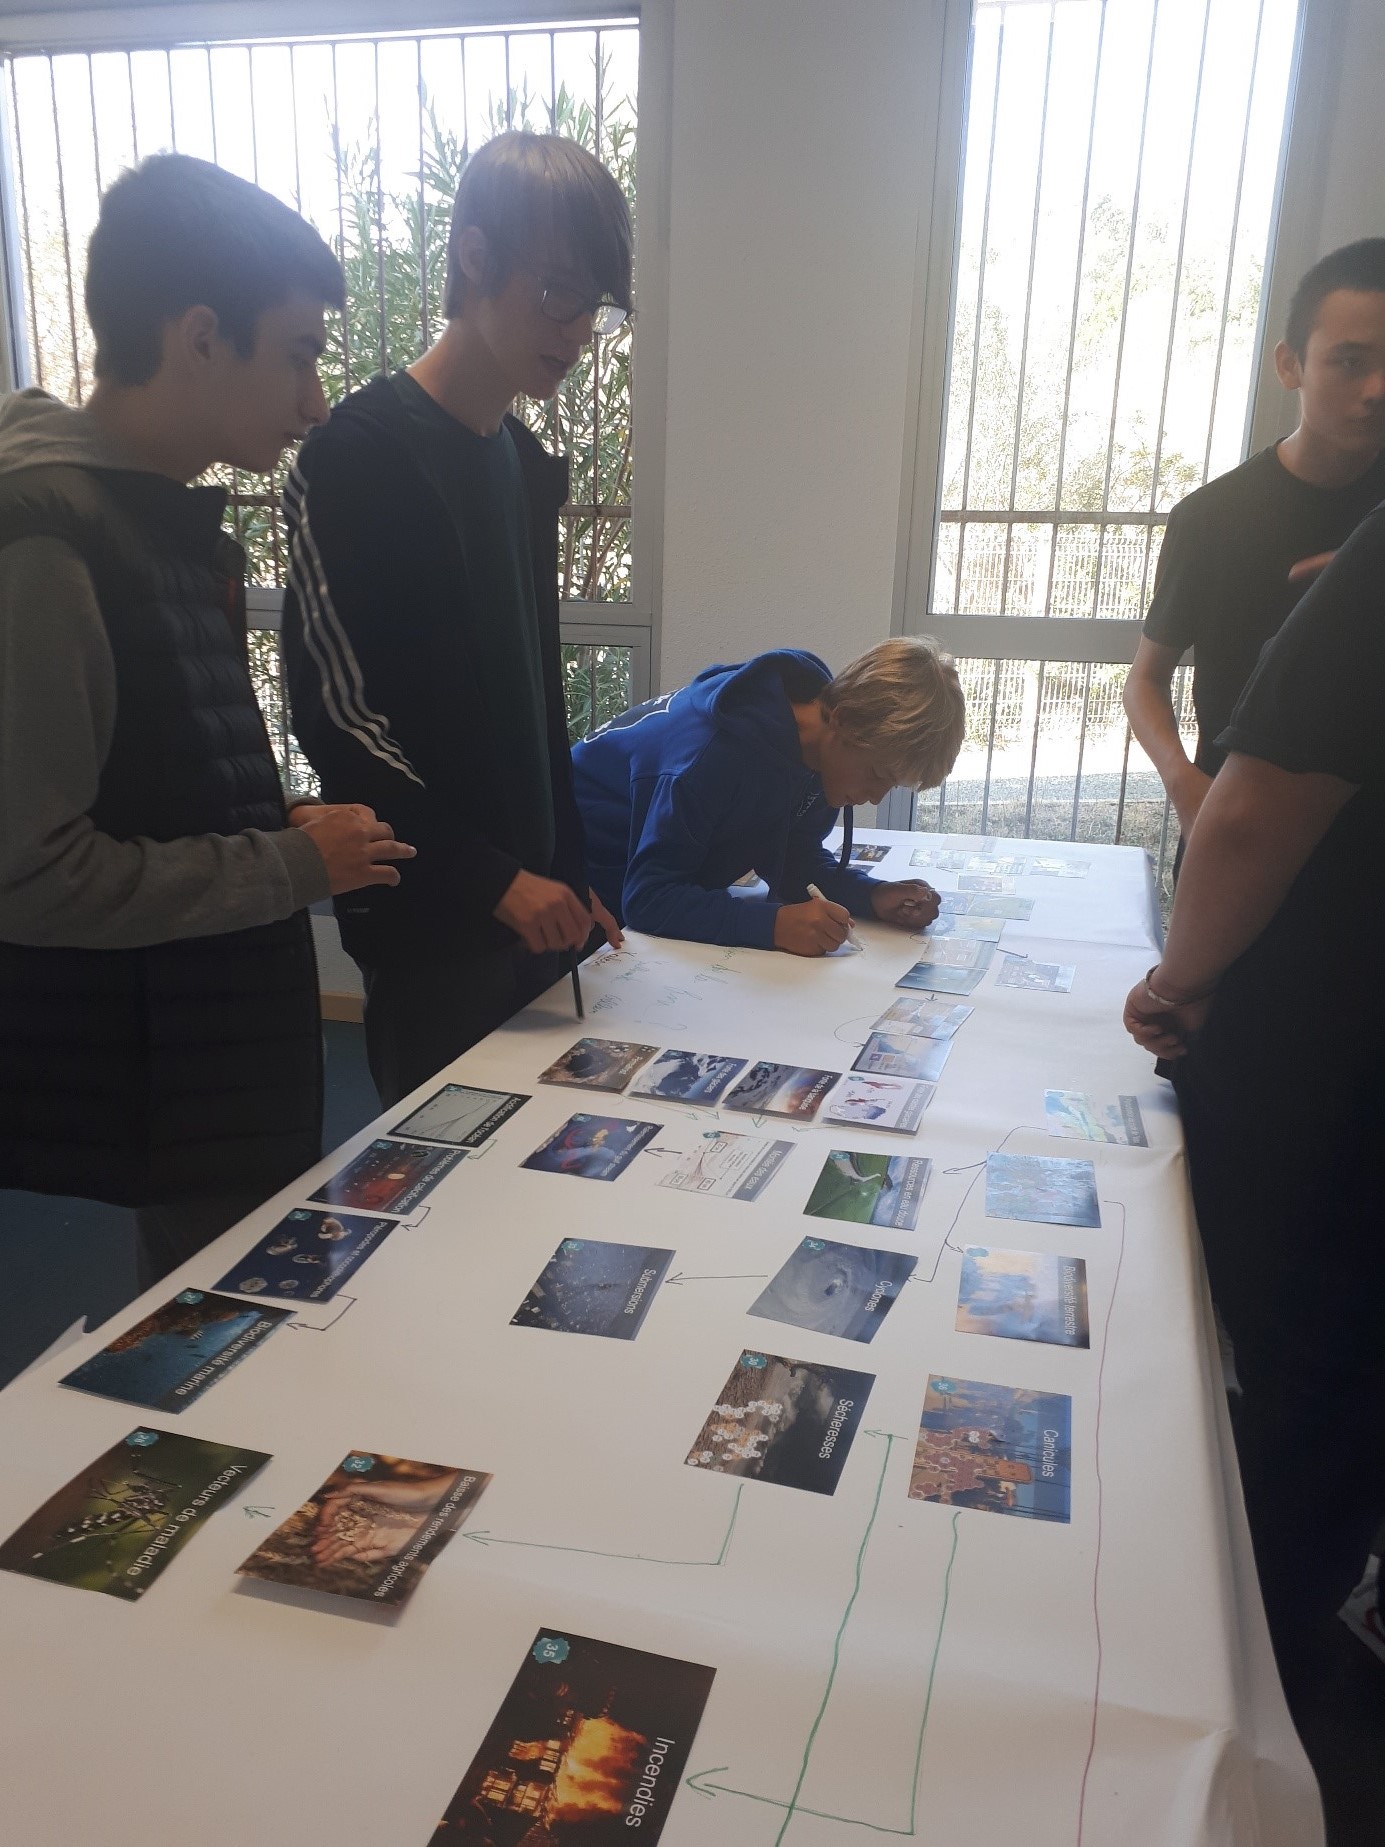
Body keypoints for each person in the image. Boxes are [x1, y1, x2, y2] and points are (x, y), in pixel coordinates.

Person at [0, 154, 415, 1285]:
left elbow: (143, 776)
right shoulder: (47, 542)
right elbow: (30, 875)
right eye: (297, 355)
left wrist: (267, 816)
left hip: (222, 1061)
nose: (314, 399)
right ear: (198, 337)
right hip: (165, 1081)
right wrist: (285, 863)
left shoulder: (162, 526)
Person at [282, 131, 631, 1108]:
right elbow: (339, 724)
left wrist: (566, 870)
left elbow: (530, 699)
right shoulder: (354, 455)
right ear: (474, 258)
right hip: (434, 926)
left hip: (533, 918)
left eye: (592, 306)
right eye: (556, 291)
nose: (572, 330)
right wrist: (490, 879)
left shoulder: (520, 461)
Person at [1122, 507, 1385, 1708]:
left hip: (1329, 1055)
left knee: (1304, 1379)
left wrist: (1179, 982)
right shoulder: (1224, 519)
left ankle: (1243, 1670)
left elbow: (1248, 810)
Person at [1124, 239, 1385, 841]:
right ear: (1290, 364)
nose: (1376, 388)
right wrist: (1186, 785)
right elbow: (1144, 678)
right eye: (1350, 361)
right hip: (1238, 831)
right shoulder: (1212, 518)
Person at [570, 638, 966, 953]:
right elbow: (648, 900)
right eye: (878, 774)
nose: (876, 797)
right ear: (842, 720)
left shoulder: (816, 751)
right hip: (577, 893)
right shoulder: (710, 757)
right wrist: (773, 925)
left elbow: (793, 859)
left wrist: (873, 895)